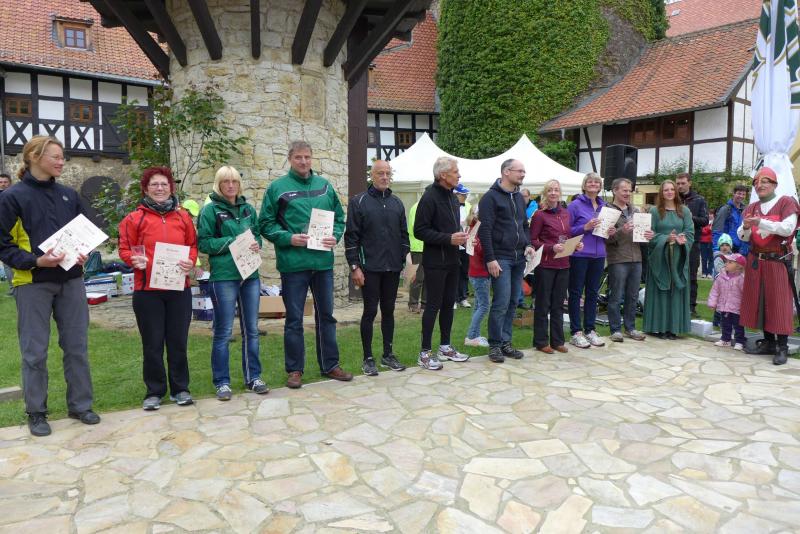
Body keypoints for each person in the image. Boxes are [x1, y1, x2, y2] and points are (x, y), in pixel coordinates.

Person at [0, 136, 99, 436]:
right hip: (33, 283)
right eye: (55, 156)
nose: (61, 161)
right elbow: (3, 245)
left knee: (77, 347)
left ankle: (80, 406)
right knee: (34, 352)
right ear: (34, 156)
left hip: (72, 281)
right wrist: (36, 261)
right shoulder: (11, 197)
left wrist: (84, 251)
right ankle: (36, 412)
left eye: (62, 157)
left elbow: (85, 233)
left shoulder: (69, 195)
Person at [259, 140, 353, 387]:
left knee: (327, 316)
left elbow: (339, 219)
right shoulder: (277, 188)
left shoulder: (324, 186)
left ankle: (330, 365)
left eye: (307, 157)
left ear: (312, 158)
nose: (303, 161)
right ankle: (294, 370)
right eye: (298, 157)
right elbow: (265, 224)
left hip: (322, 264)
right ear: (290, 159)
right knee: (294, 319)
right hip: (294, 264)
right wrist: (288, 238)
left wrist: (335, 236)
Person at [119, 166, 198, 411]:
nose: (160, 188)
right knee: (152, 344)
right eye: (154, 184)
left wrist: (190, 261)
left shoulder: (183, 217)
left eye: (164, 184)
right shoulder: (134, 219)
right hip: (147, 291)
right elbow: (125, 248)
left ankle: (180, 388)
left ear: (171, 188)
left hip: (178, 289)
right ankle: (154, 391)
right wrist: (133, 259)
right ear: (146, 189)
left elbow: (192, 245)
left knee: (178, 342)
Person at [197, 166, 268, 401]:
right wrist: (232, 241)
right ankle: (222, 382)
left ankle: (253, 377)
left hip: (250, 276)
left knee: (252, 330)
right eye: (226, 182)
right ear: (218, 185)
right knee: (224, 332)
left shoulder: (248, 209)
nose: (230, 186)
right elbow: (204, 243)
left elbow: (257, 236)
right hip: (224, 277)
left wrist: (256, 243)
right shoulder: (210, 210)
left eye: (234, 181)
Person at [344, 160, 409, 376]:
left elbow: (404, 235)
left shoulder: (397, 203)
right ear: (371, 176)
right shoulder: (359, 202)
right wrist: (355, 266)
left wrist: (404, 260)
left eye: (387, 173)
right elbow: (351, 237)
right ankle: (368, 358)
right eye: (380, 173)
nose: (384, 177)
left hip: (392, 268)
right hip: (369, 267)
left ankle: (388, 354)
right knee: (370, 311)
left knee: (389, 311)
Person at [738, 167, 800, 365]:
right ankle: (769, 342)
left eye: (765, 181)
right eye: (756, 182)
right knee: (760, 301)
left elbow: (787, 228)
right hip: (756, 260)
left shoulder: (786, 202)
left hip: (777, 260)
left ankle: (782, 346)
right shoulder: (751, 207)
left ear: (774, 184)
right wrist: (746, 227)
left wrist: (761, 222)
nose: (760, 185)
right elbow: (743, 236)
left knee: (779, 303)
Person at [413, 156, 470, 370]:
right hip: (435, 262)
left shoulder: (453, 198)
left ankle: (445, 347)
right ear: (443, 175)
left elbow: (452, 229)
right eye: (455, 172)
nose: (459, 175)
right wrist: (448, 238)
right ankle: (424, 353)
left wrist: (463, 237)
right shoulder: (429, 197)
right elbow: (419, 231)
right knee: (433, 305)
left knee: (448, 305)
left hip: (453, 260)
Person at [477, 158, 530, 363]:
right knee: (501, 302)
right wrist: (490, 258)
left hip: (519, 258)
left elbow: (524, 225)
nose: (523, 174)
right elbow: (485, 230)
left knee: (513, 301)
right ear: (506, 172)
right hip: (501, 258)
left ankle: (506, 342)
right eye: (520, 171)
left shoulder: (519, 197)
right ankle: (495, 345)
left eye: (524, 171)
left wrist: (528, 244)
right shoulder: (490, 198)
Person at [530, 179, 583, 353]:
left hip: (564, 264)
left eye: (556, 190)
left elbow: (567, 236)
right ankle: (541, 341)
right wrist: (550, 247)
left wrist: (575, 245)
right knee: (543, 304)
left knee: (558, 304)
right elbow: (533, 241)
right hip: (546, 265)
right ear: (545, 193)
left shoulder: (566, 213)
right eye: (550, 190)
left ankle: (558, 341)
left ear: (560, 193)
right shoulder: (539, 215)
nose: (553, 193)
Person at [643, 180, 694, 339]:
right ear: (661, 192)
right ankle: (659, 327)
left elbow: (690, 232)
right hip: (660, 258)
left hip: (678, 257)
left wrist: (681, 238)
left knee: (676, 291)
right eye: (666, 190)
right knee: (661, 292)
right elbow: (649, 234)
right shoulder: (654, 212)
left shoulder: (684, 211)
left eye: (672, 189)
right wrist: (666, 238)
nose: (670, 192)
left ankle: (674, 328)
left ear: (676, 192)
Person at [605, 178, 651, 342]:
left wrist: (648, 235)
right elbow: (605, 238)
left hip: (636, 258)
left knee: (632, 295)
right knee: (616, 296)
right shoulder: (608, 211)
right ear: (614, 190)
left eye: (629, 190)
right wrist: (621, 231)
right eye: (624, 190)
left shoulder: (636, 210)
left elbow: (642, 238)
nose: (627, 193)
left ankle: (630, 328)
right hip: (618, 258)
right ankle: (615, 330)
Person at [567, 172, 608, 349]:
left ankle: (590, 329)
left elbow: (605, 230)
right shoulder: (574, 205)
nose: (593, 184)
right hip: (580, 254)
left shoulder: (605, 206)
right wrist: (585, 227)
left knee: (592, 293)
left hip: (599, 255)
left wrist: (610, 231)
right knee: (576, 293)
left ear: (600, 186)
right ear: (584, 186)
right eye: (590, 182)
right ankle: (576, 332)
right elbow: (566, 231)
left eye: (596, 182)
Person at [675, 172, 708, 315]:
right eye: (678, 183)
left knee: (691, 274)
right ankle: (675, 304)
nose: (680, 186)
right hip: (674, 240)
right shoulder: (672, 198)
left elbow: (705, 220)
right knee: (675, 272)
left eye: (683, 183)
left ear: (689, 183)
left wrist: (688, 216)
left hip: (693, 242)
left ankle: (690, 306)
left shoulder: (699, 199)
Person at [708, 253, 746, 351]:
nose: (726, 264)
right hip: (724, 306)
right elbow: (715, 290)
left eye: (730, 262)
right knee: (725, 324)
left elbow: (746, 292)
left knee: (738, 325)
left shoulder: (741, 278)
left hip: (737, 307)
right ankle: (725, 339)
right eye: (726, 262)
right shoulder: (721, 276)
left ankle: (739, 341)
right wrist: (712, 302)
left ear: (738, 266)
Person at [464, 207, 490, 347]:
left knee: (479, 305)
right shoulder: (478, 229)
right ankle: (471, 336)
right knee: (484, 306)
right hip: (480, 273)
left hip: (475, 272)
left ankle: (475, 335)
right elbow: (480, 250)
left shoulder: (472, 228)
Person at [712, 184, 749, 256]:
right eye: (739, 193)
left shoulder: (745, 210)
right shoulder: (725, 209)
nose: (741, 196)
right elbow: (717, 230)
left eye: (743, 194)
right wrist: (716, 251)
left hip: (740, 250)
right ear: (734, 193)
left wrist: (745, 249)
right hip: (727, 249)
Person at [454, 183, 472, 308]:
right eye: (463, 194)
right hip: (454, 243)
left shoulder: (468, 205)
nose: (465, 196)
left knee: (465, 271)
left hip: (466, 244)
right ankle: (453, 299)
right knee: (455, 271)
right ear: (456, 194)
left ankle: (463, 297)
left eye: (466, 194)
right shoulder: (450, 206)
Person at [406, 199, 425, 313]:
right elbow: (415, 227)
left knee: (427, 277)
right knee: (417, 277)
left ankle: (425, 304)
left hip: (428, 247)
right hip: (417, 247)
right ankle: (413, 303)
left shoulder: (426, 205)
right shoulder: (417, 207)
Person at [0, 172, 14, 289]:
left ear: (10, 183)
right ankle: (12, 287)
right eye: (0, 182)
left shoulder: (14, 196)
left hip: (14, 231)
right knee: (6, 260)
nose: (3, 184)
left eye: (5, 182)